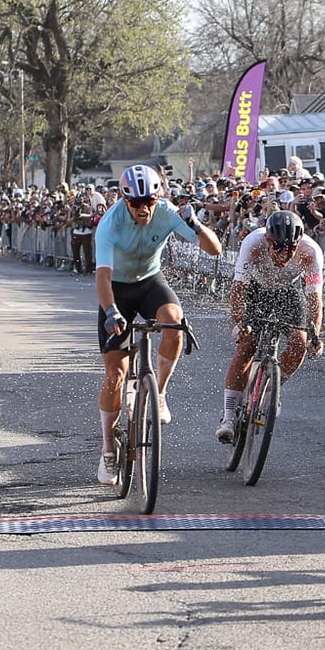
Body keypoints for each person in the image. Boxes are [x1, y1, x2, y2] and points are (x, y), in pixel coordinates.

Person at [93, 165, 222, 483]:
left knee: (175, 324)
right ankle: (108, 448)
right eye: (135, 202)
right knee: (116, 374)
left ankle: (159, 393)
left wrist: (195, 224)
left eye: (149, 201)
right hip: (117, 290)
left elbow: (215, 249)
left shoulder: (167, 211)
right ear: (124, 200)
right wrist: (110, 311)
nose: (143, 208)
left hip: (150, 282)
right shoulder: (110, 223)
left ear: (157, 198)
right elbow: (103, 277)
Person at [218, 210, 325, 442]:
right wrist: (238, 323)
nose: (284, 254)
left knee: (299, 344)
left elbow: (314, 298)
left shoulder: (310, 251)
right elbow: (239, 289)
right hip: (256, 289)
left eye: (290, 249)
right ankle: (228, 416)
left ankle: (272, 388)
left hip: (289, 291)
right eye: (278, 248)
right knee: (247, 344)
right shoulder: (252, 243)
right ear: (268, 240)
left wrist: (315, 333)